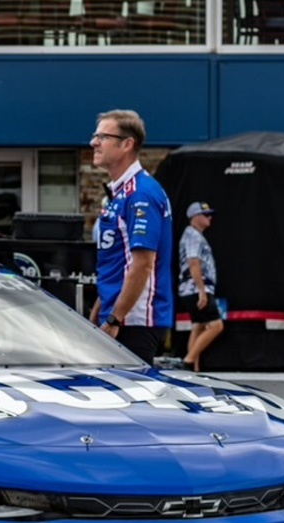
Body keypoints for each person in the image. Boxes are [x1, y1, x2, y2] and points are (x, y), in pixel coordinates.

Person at [87, 109, 174, 363]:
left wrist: (115, 318)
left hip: (134, 322)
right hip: (117, 318)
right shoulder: (119, 193)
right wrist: (98, 314)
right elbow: (117, 262)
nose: (93, 142)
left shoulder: (141, 194)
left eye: (102, 136)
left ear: (127, 144)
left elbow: (143, 264)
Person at [177, 201, 223, 372]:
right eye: (205, 214)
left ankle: (193, 369)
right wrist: (202, 291)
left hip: (191, 288)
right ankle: (188, 362)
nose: (209, 217)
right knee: (216, 325)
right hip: (195, 287)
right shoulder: (193, 235)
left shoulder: (194, 235)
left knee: (198, 325)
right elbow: (193, 262)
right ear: (195, 217)